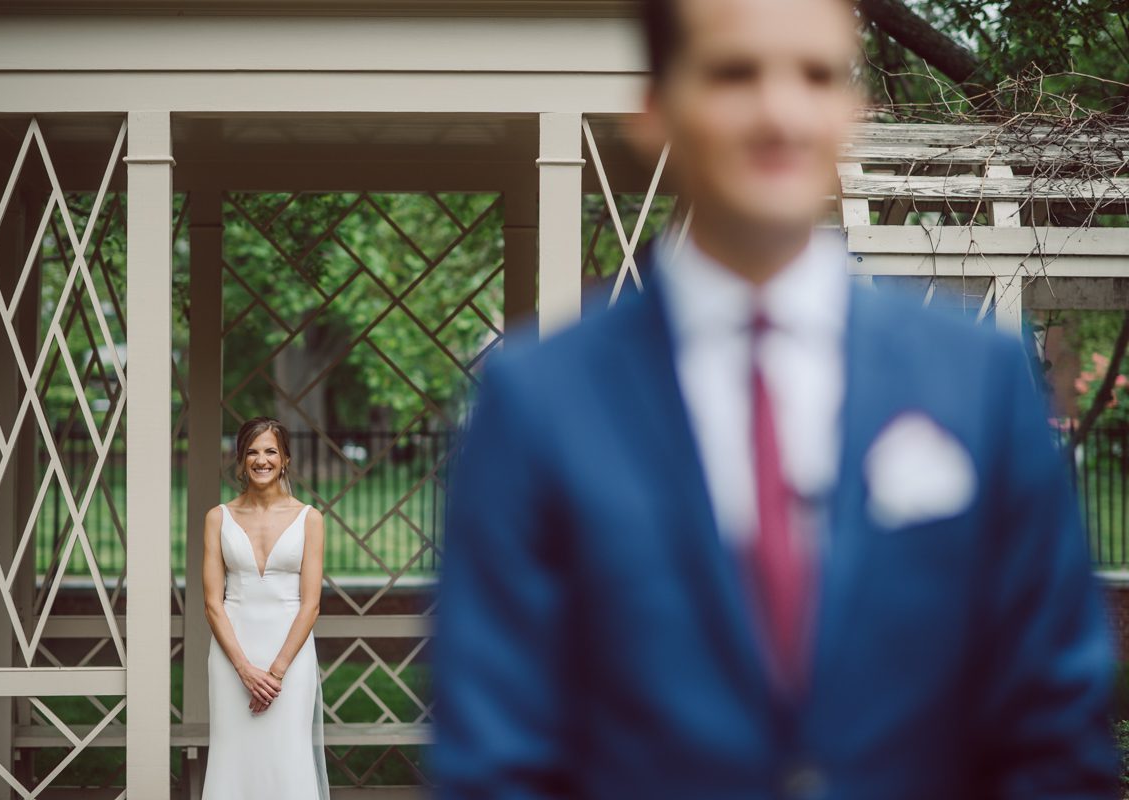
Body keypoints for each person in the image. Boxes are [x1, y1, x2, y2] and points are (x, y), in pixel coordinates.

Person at [431, 0, 1120, 797]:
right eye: (734, 73)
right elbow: (494, 760)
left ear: (851, 110)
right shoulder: (535, 402)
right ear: (655, 109)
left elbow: (1054, 738)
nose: (780, 113)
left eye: (817, 75)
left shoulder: (980, 380)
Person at [202, 416, 331, 799]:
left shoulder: (310, 519)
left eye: (270, 451)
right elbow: (213, 603)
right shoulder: (218, 518)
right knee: (232, 757)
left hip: (289, 660)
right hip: (232, 658)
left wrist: (274, 674)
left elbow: (311, 605)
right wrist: (244, 670)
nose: (262, 460)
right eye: (252, 452)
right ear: (240, 461)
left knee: (286, 757)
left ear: (285, 459)